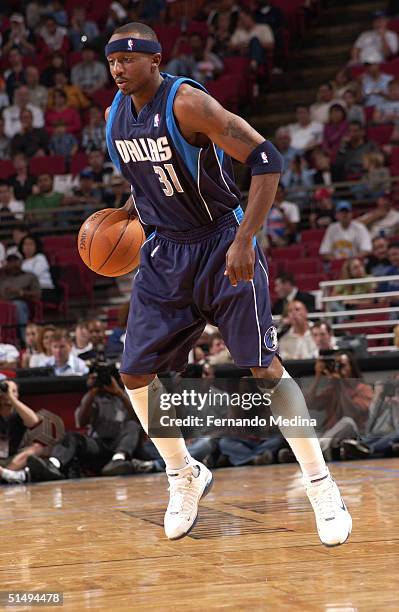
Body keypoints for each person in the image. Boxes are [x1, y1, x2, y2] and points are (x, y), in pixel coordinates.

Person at [103, 22, 352, 546]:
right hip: (166, 252)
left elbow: (266, 159)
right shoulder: (113, 118)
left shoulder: (188, 104)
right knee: (133, 374)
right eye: (112, 61)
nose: (119, 69)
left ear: (155, 59)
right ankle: (184, 474)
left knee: (264, 366)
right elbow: (147, 178)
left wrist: (244, 238)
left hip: (221, 242)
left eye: (129, 59)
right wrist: (128, 213)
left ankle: (321, 485)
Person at [27, 372, 146, 480]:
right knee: (72, 436)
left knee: (132, 425)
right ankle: (53, 464)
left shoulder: (126, 395)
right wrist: (91, 393)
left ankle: (117, 461)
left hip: (121, 445)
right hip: (99, 445)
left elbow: (139, 419)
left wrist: (119, 393)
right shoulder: (92, 397)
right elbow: (81, 422)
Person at [0, 379, 42, 484]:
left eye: (14, 391)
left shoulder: (19, 414)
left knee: (37, 448)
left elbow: (33, 421)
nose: (9, 393)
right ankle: (8, 476)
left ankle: (6, 475)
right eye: (6, 391)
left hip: (13, 461)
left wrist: (12, 398)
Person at [0, 255, 41, 332]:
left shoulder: (30, 276)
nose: (13, 264)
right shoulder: (3, 278)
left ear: (21, 262)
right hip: (4, 304)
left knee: (17, 305)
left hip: (22, 303)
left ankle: (24, 338)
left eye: (15, 261)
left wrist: (20, 292)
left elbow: (37, 294)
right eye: (10, 262)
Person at [19, 235, 55, 301]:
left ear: (36, 246)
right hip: (27, 289)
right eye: (25, 244)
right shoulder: (21, 262)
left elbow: (34, 275)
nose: (27, 247)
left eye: (31, 244)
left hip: (43, 289)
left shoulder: (40, 258)